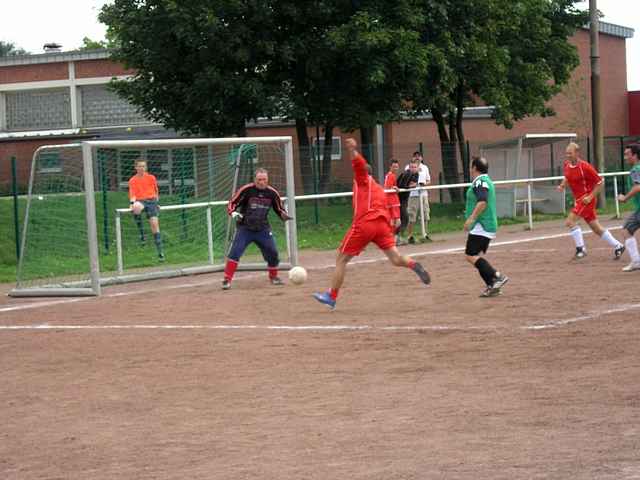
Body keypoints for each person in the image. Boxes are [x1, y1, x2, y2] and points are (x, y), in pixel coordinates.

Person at [313, 138, 430, 310]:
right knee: (396, 259)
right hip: (382, 226)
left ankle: (332, 296)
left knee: (341, 259)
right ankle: (413, 264)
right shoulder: (377, 187)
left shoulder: (362, 180)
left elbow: (359, 165)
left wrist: (353, 151)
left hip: (366, 224)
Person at [222, 168, 292, 290]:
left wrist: (284, 215)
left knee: (273, 252)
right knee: (235, 252)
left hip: (262, 229)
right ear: (255, 179)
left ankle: (274, 277)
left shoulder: (272, 193)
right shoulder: (246, 190)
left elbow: (278, 208)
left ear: (267, 180)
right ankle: (227, 280)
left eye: (264, 179)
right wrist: (232, 212)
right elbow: (232, 202)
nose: (262, 182)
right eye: (259, 179)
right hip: (245, 228)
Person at [557, 142, 625, 260]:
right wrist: (562, 185)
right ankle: (618, 246)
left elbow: (600, 182)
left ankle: (581, 249)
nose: (568, 155)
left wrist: (590, 197)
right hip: (579, 200)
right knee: (596, 228)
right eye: (566, 153)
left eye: (570, 153)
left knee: (570, 221)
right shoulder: (567, 165)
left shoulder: (585, 167)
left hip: (586, 200)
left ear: (577, 153)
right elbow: (567, 177)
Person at [464, 156, 509, 297]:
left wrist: (471, 218)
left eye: (472, 167)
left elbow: (482, 201)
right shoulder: (486, 180)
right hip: (485, 224)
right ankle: (492, 285)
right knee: (473, 256)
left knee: (470, 255)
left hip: (481, 225)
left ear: (474, 168)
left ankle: (497, 276)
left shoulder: (480, 182)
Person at [128, 159, 165, 261]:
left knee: (154, 226)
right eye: (139, 166)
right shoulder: (132, 180)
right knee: (136, 207)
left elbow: (156, 191)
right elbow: (132, 194)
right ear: (135, 167)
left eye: (143, 166)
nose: (141, 168)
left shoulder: (151, 178)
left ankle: (160, 252)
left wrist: (157, 203)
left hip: (151, 201)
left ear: (146, 167)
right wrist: (132, 203)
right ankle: (142, 234)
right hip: (141, 201)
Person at [616, 144, 640, 271]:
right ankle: (636, 261)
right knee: (626, 230)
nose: (625, 157)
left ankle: (636, 261)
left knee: (626, 230)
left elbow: (638, 187)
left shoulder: (636, 169)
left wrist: (624, 198)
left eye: (627, 154)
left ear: (635, 155)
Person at [395, 161, 419, 244]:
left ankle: (397, 237)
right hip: (399, 198)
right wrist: (409, 186)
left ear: (417, 168)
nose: (413, 169)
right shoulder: (406, 174)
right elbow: (401, 185)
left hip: (405, 198)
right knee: (404, 217)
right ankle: (396, 237)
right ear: (409, 167)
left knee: (403, 218)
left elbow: (414, 184)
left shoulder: (416, 174)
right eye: (411, 167)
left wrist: (413, 185)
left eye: (415, 167)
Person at [384, 159, 402, 242]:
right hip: (392, 202)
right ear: (390, 167)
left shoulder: (390, 175)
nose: (395, 168)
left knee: (393, 221)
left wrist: (394, 187)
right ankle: (391, 238)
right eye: (394, 167)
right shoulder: (390, 175)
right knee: (396, 222)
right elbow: (388, 188)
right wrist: (395, 188)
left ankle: (391, 238)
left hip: (392, 201)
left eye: (397, 167)